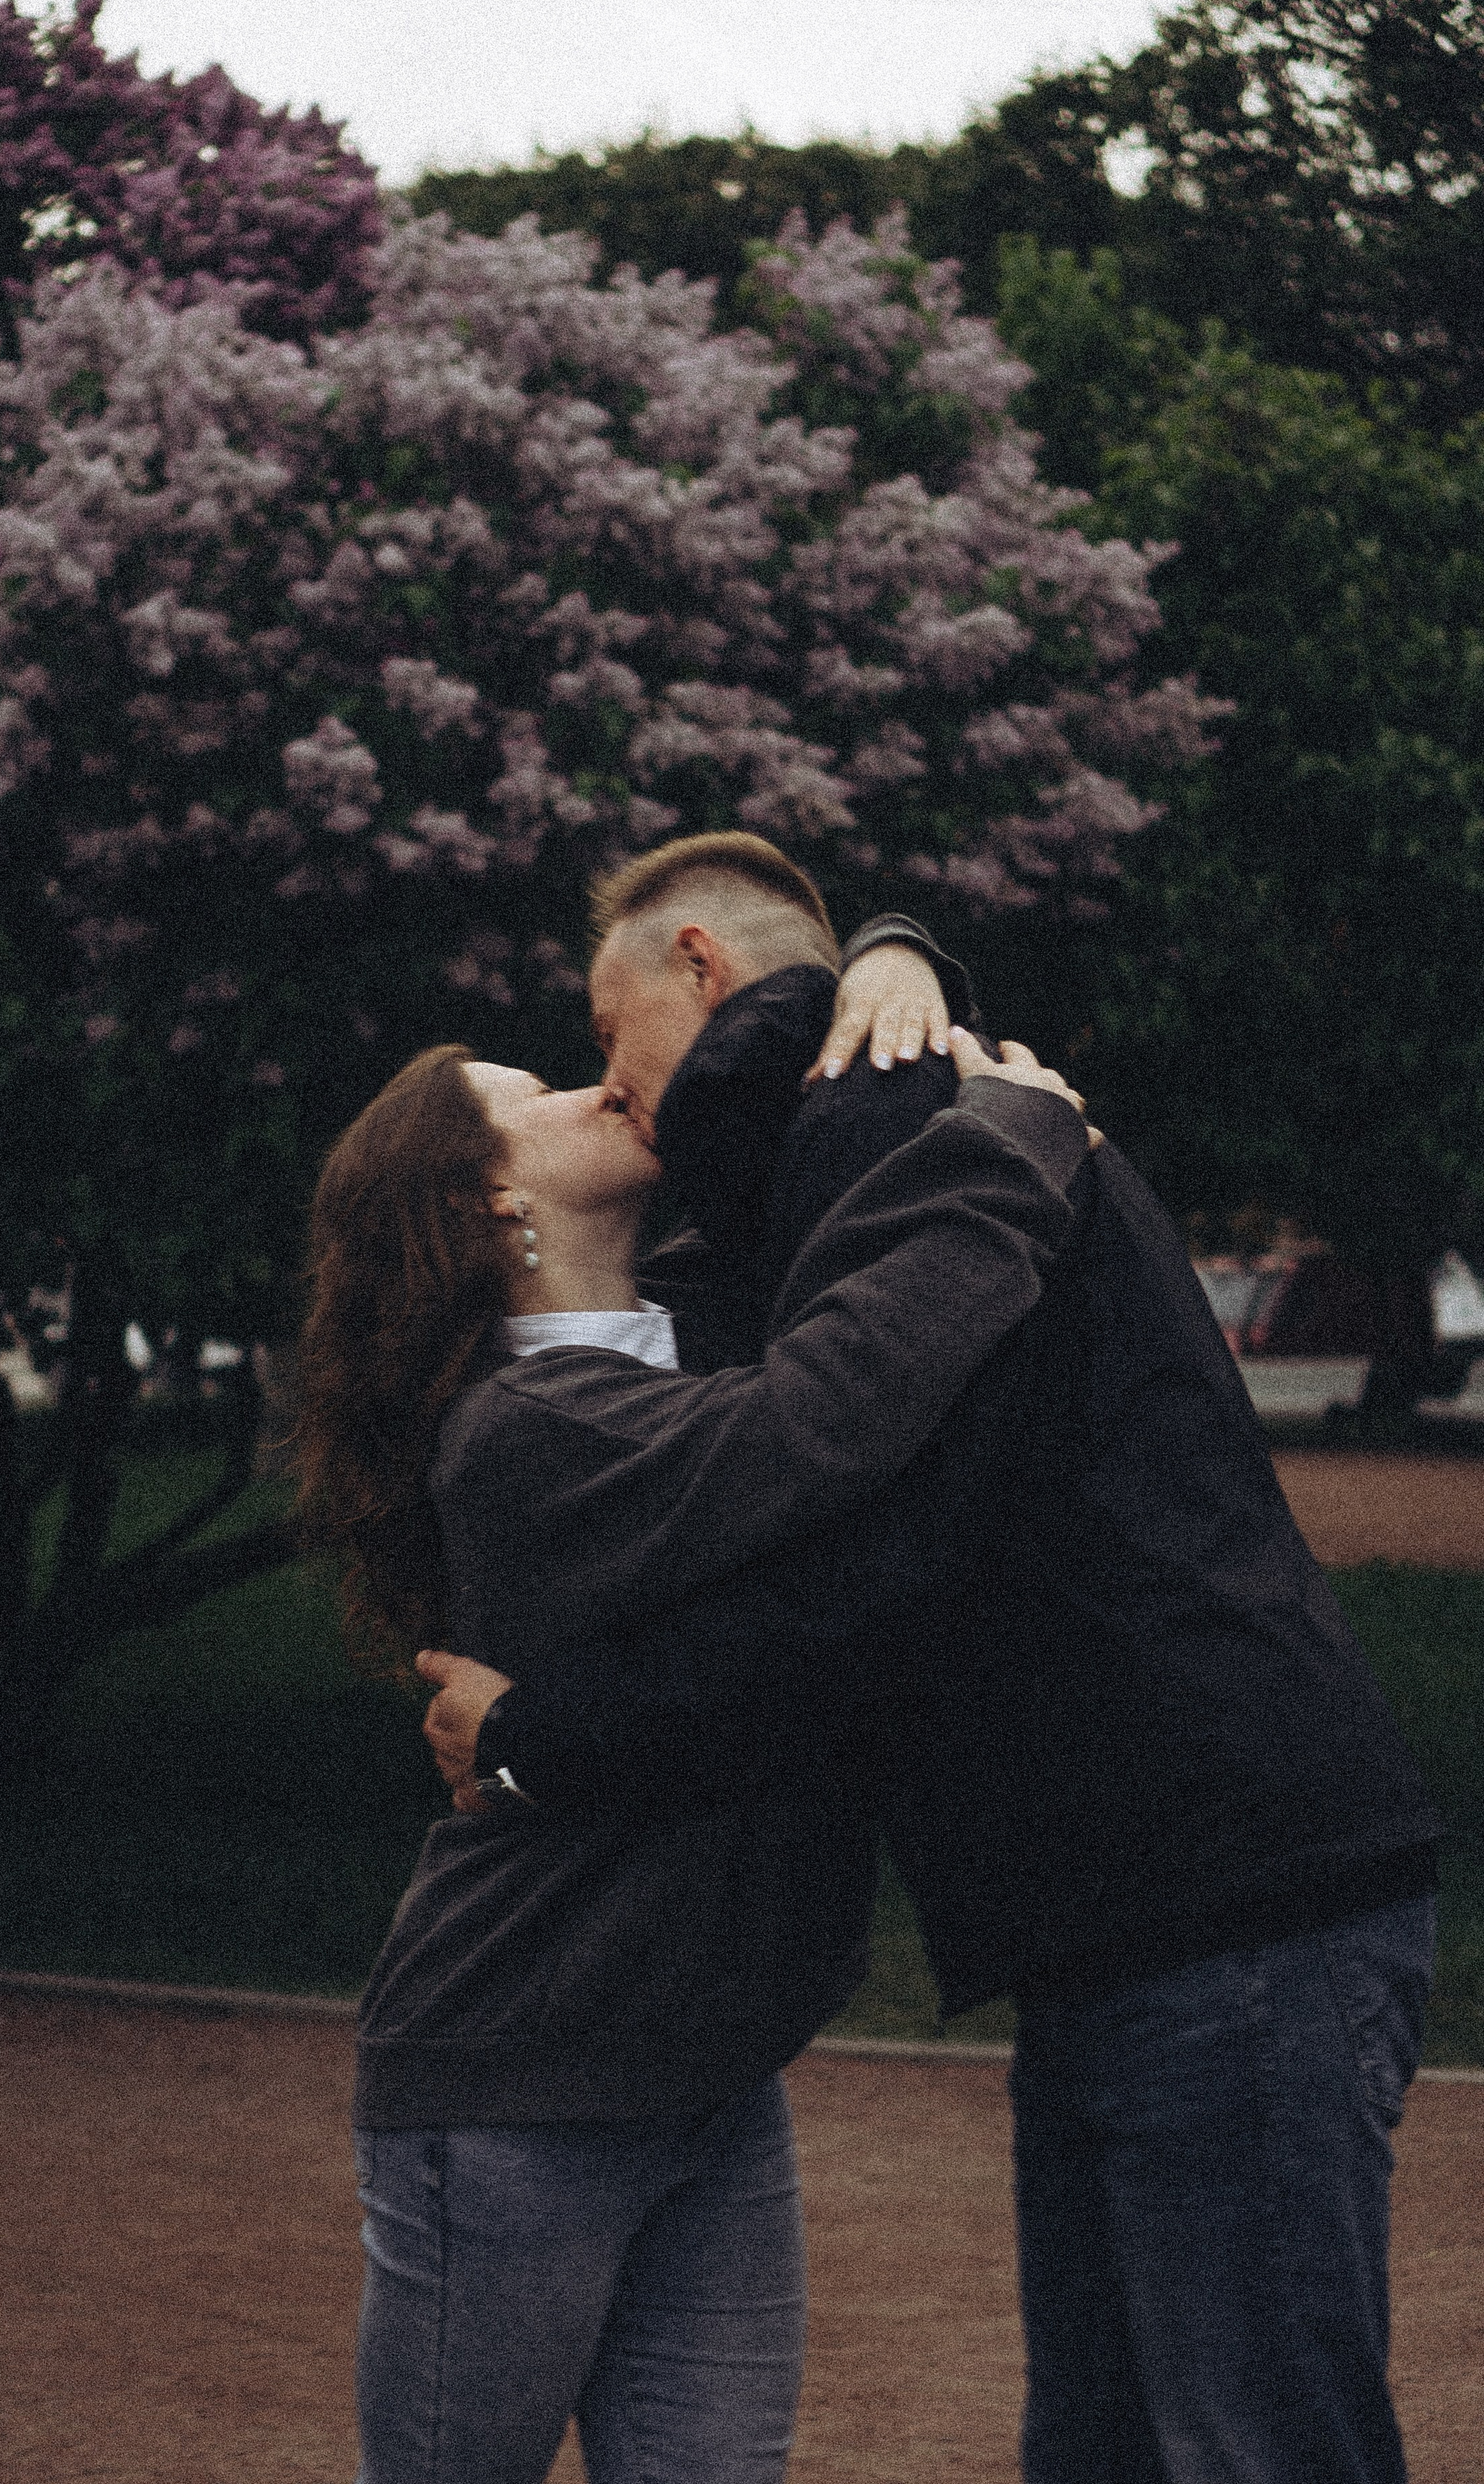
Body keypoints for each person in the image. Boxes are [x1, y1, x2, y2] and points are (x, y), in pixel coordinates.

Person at [421, 831, 1443, 2484]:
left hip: (1223, 1896)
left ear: (699, 968)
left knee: (1253, 2445)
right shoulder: (847, 1137)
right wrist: (909, 945)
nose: (613, 1089)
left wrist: (557, 1735)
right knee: (1114, 2444)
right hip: (1144, 1908)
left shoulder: (884, 1120)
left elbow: (882, 1559)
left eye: (609, 1036)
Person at [295, 1015, 1093, 2484]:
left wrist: (903, 961)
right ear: (487, 1202)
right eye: (529, 1099)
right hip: (518, 2073)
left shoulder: (681, 1338)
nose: (598, 1081)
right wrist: (1014, 1144)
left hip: (712, 2071)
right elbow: (829, 1419)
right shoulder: (526, 1428)